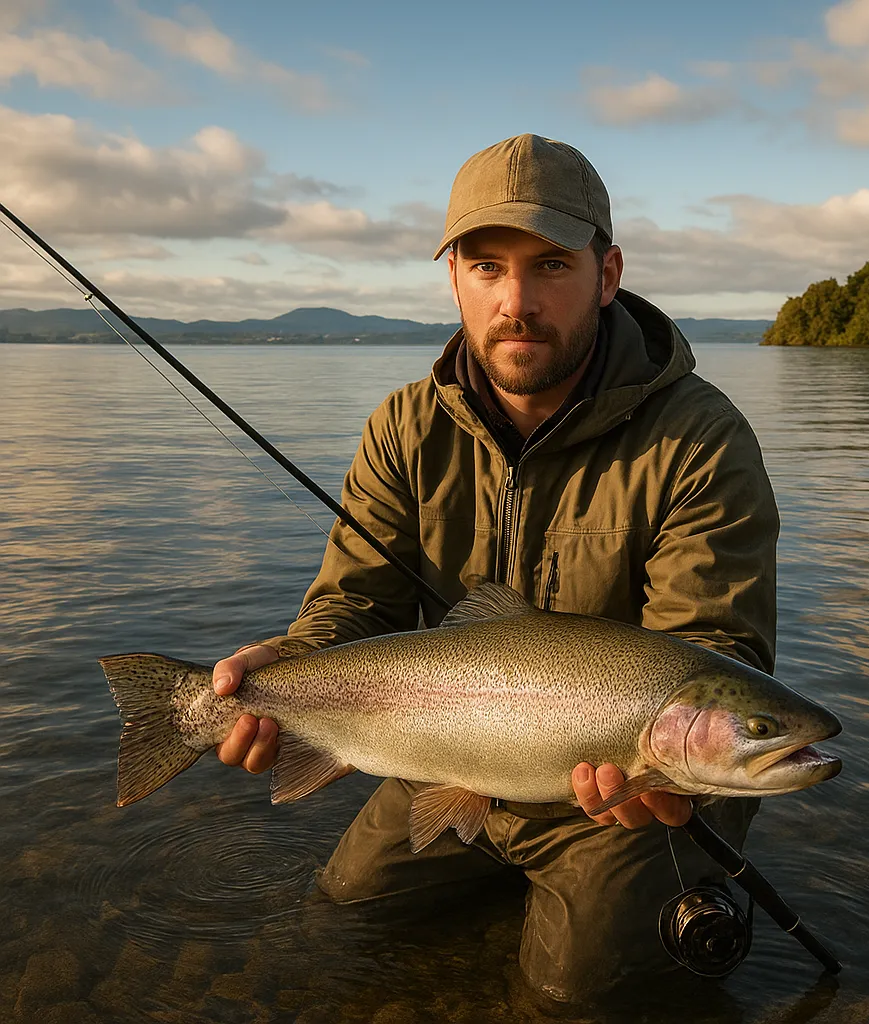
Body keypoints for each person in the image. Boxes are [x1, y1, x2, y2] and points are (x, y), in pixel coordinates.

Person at [211, 134, 779, 1006]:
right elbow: (351, 606)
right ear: (454, 280)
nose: (517, 301)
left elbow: (713, 645)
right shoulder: (404, 427)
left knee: (573, 994)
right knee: (342, 918)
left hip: (623, 792)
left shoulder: (700, 439)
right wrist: (289, 663)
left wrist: (664, 777)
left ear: (608, 272)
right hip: (447, 755)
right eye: (485, 267)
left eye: (551, 264)